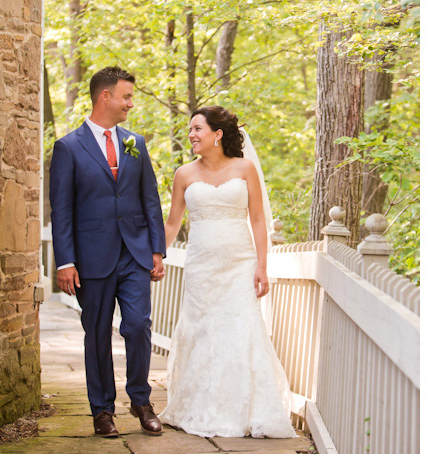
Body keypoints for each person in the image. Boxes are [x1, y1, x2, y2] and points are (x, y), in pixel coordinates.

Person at [159, 106, 296, 438]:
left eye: (197, 129)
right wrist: (155, 255)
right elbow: (173, 223)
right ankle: (197, 406)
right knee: (200, 331)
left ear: (217, 134)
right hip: (201, 265)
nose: (191, 135)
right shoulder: (184, 174)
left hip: (239, 263)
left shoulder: (245, 168)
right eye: (190, 129)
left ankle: (244, 410)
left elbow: (259, 220)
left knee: (240, 329)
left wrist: (263, 265)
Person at [50, 66, 166, 438]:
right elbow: (62, 209)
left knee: (137, 325)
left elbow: (150, 199)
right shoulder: (68, 147)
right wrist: (65, 261)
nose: (130, 103)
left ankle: (141, 400)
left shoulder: (136, 143)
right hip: (90, 258)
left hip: (133, 254)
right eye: (127, 96)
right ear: (106, 97)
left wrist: (157, 250)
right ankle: (102, 410)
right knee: (96, 332)